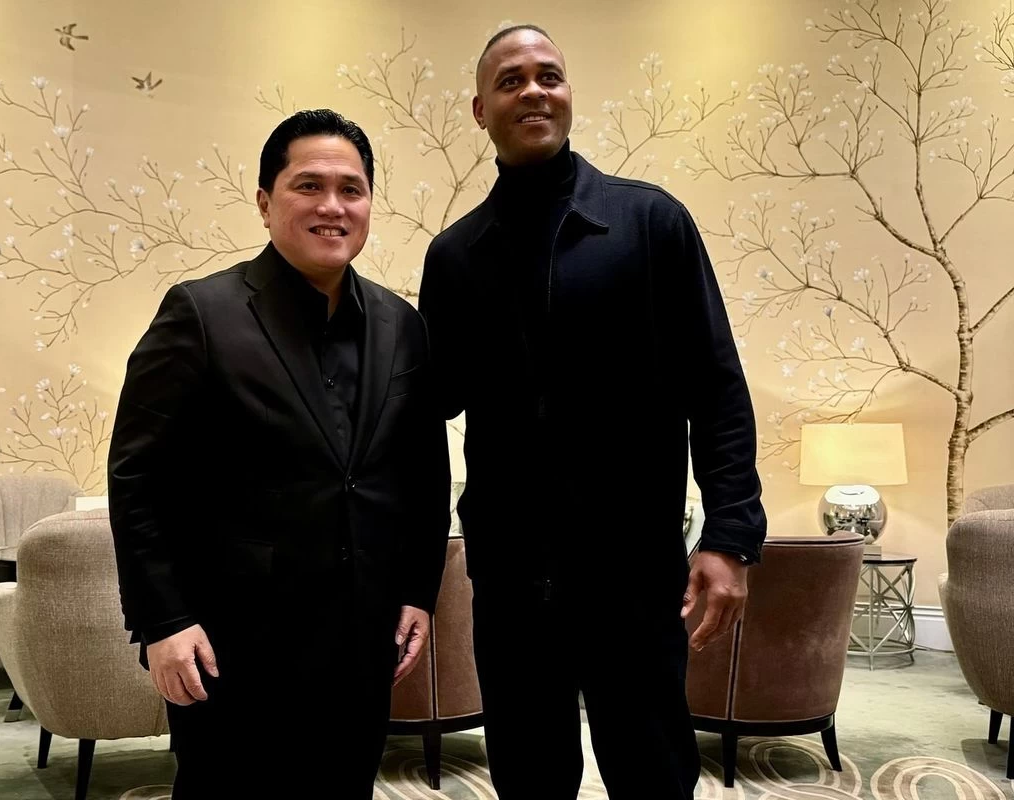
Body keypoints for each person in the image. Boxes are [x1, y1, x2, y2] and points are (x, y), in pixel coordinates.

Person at [417, 25, 768, 799]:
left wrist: (731, 534)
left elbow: (716, 387)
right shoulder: (455, 256)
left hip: (632, 569)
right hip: (510, 579)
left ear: (569, 94)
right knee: (528, 777)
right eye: (511, 80)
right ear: (480, 109)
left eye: (549, 76)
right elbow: (427, 406)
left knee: (653, 773)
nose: (534, 91)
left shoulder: (651, 222)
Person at [108, 109, 450, 799]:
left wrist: (418, 591)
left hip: (362, 641)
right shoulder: (201, 314)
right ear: (266, 203)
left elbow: (422, 473)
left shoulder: (403, 325)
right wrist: (164, 621)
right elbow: (137, 477)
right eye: (309, 186)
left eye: (351, 189)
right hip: (232, 644)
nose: (332, 206)